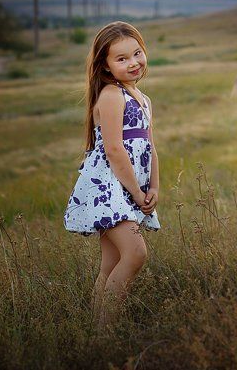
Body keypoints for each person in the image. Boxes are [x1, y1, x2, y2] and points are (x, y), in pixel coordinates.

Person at [64, 21, 160, 326]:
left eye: (137, 53)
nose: (133, 63)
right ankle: (106, 329)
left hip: (129, 187)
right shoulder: (111, 95)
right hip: (109, 187)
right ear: (105, 68)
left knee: (111, 263)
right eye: (121, 59)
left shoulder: (142, 98)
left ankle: (97, 329)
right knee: (135, 253)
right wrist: (135, 192)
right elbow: (115, 150)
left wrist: (154, 187)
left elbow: (149, 146)